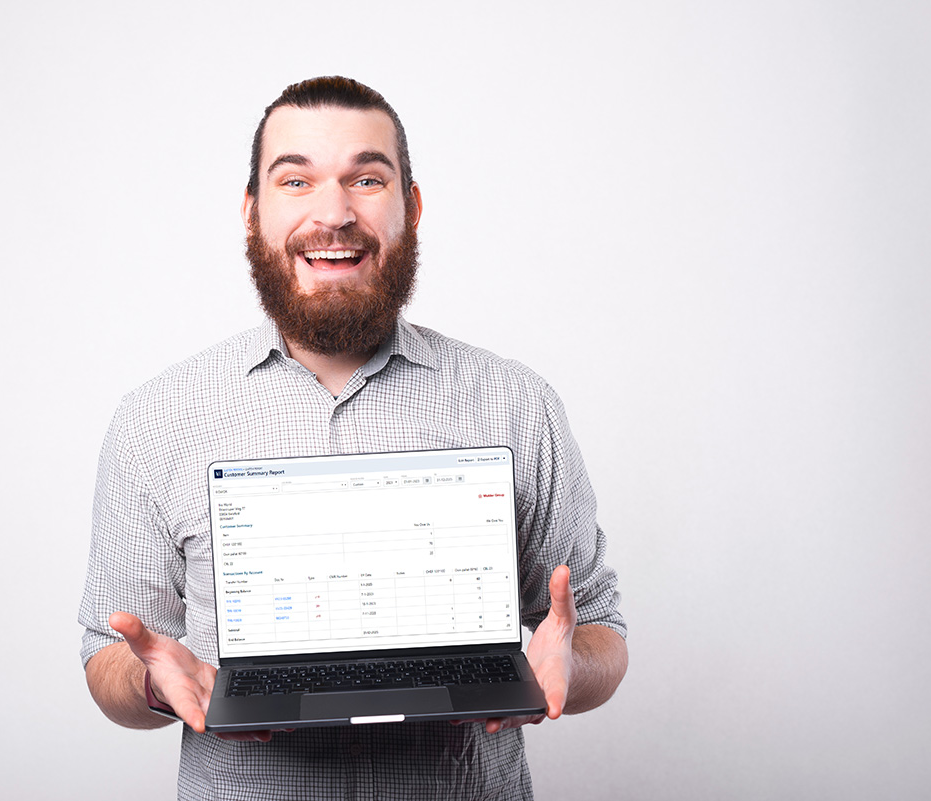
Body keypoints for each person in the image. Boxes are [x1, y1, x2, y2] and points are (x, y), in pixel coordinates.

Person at [79, 76, 628, 800]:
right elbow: (105, 659)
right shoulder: (156, 418)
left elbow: (598, 633)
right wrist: (150, 680)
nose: (333, 213)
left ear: (412, 206)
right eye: (296, 179)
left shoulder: (516, 403)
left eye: (367, 178)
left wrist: (565, 667)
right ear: (252, 213)